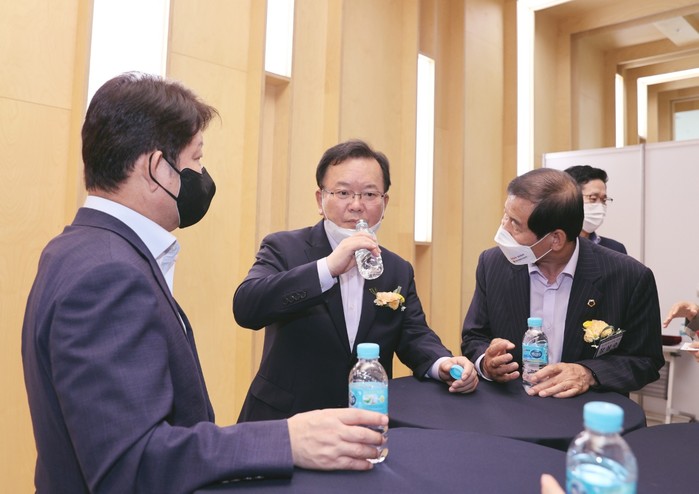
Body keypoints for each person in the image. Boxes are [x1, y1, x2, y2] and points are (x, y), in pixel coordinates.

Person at [21, 73, 388, 494]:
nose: (202, 174)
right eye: (196, 159)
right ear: (157, 168)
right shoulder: (108, 274)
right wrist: (287, 440)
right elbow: (131, 466)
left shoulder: (78, 247)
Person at [233, 139, 478, 422]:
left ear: (385, 203)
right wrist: (327, 269)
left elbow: (414, 334)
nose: (357, 205)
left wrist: (442, 363)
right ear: (320, 200)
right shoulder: (284, 247)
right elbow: (247, 307)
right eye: (343, 192)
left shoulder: (397, 269)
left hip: (365, 421)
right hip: (286, 420)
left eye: (370, 194)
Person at [461, 167, 663, 397]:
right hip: (512, 403)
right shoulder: (492, 264)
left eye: (515, 224)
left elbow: (646, 360)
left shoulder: (629, 277)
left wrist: (589, 373)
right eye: (505, 216)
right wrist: (486, 363)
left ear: (555, 239)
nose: (504, 229)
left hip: (585, 408)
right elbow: (474, 337)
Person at [564, 165, 627, 254]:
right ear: (569, 199)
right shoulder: (550, 247)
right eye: (593, 198)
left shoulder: (615, 249)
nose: (600, 205)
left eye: (604, 200)